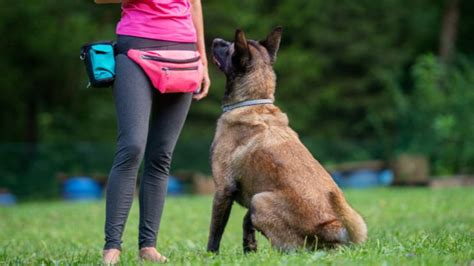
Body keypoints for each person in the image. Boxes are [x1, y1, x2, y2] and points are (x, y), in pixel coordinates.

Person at [94, 0, 210, 264]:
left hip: (183, 52)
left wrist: (202, 58)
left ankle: (148, 246)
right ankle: (112, 247)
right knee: (132, 147)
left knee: (161, 155)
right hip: (136, 46)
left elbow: (194, 3)